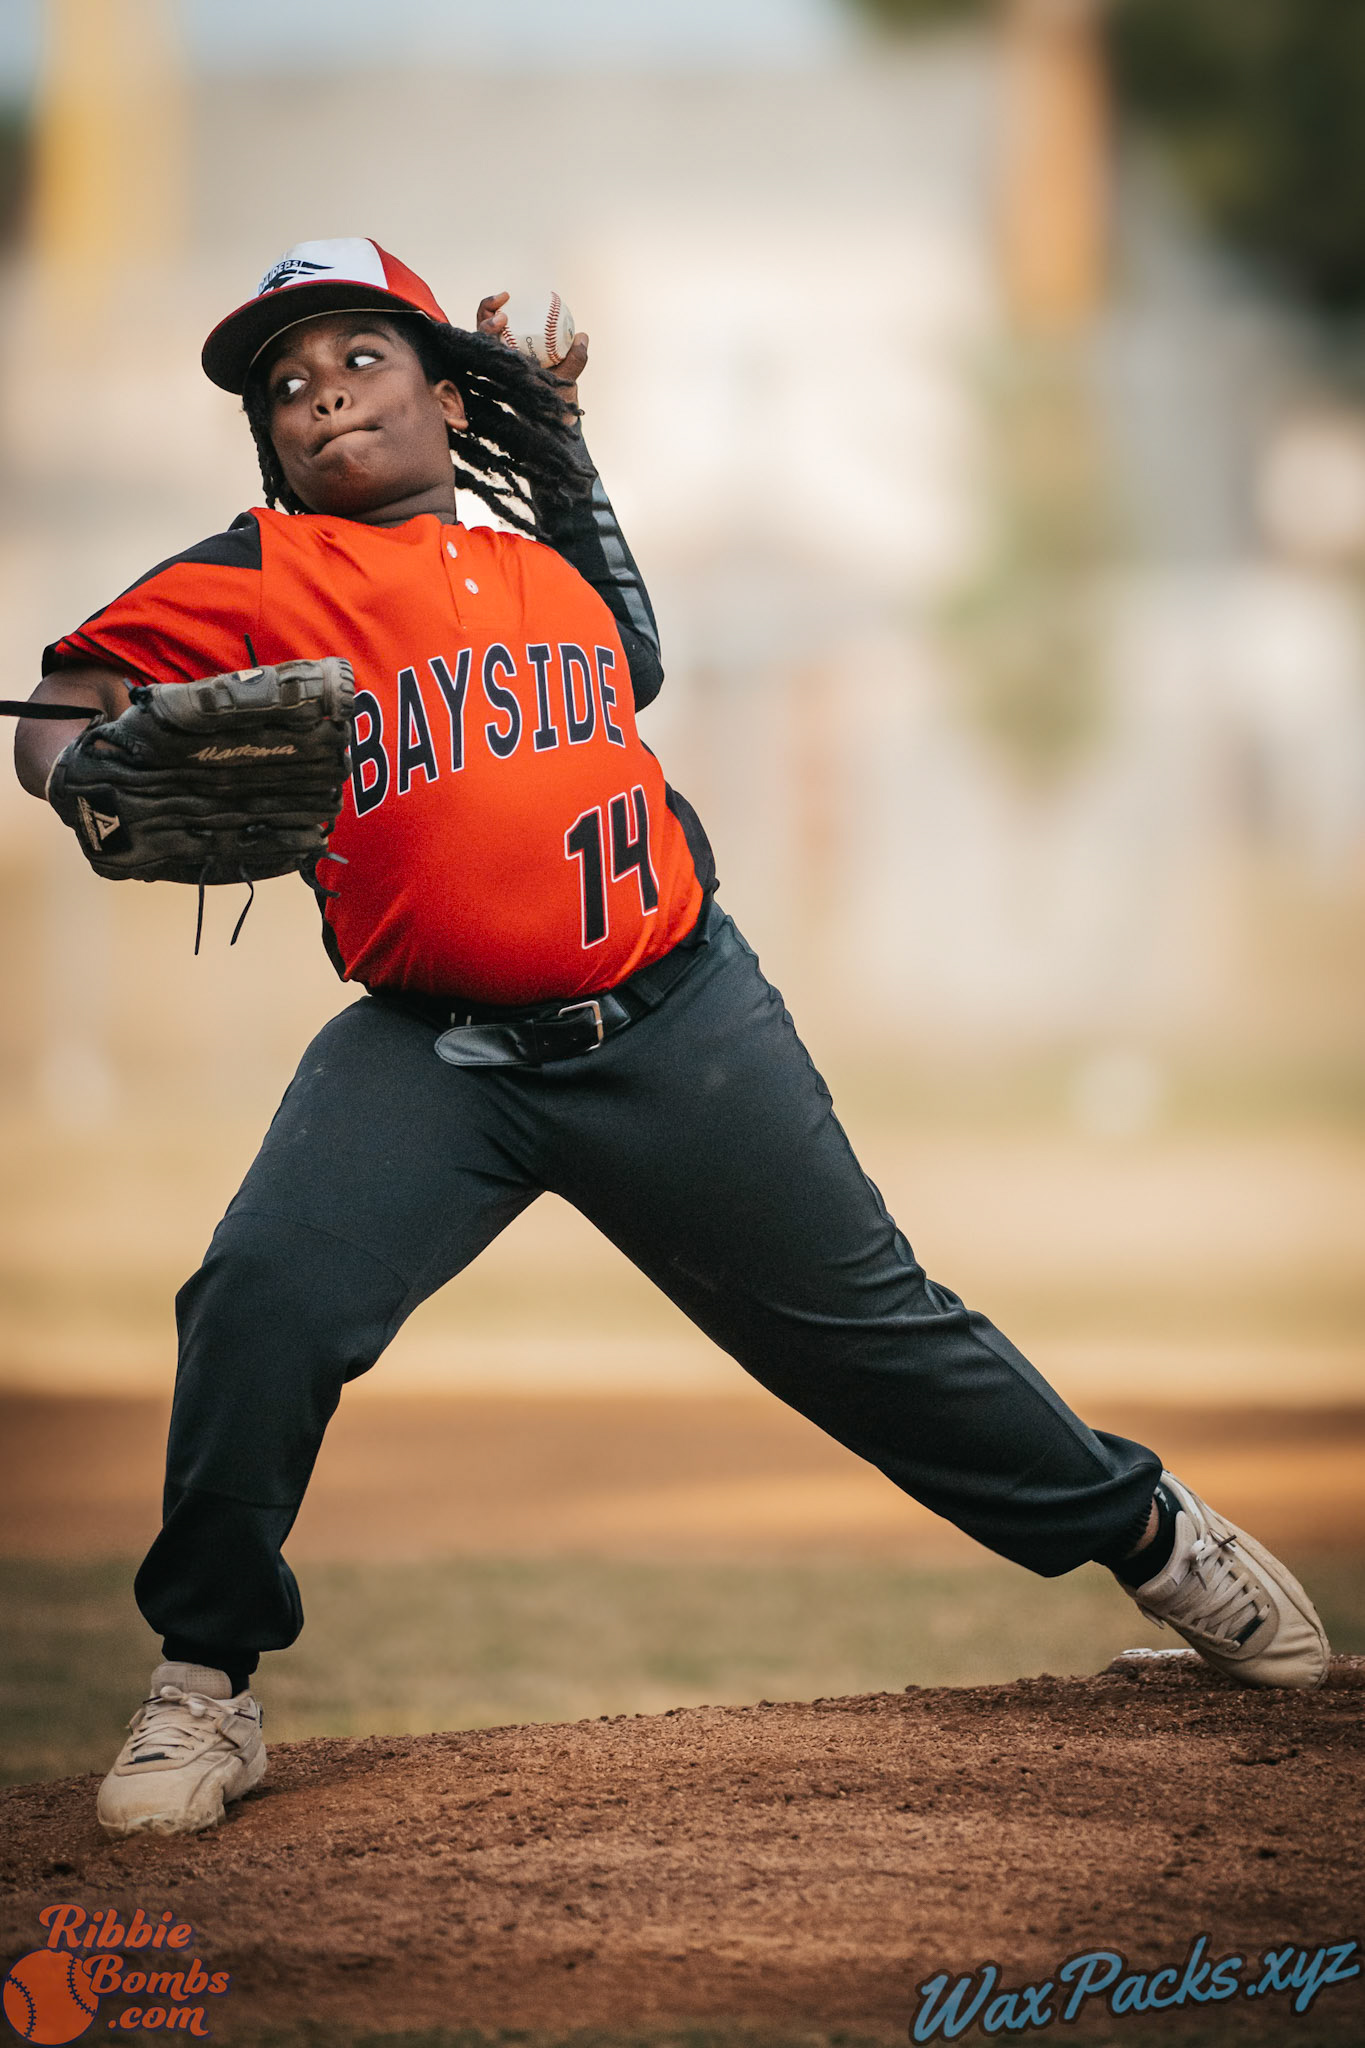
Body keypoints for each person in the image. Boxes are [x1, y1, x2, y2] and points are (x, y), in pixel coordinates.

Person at [12, 240, 1330, 1839]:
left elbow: (631, 656)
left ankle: (1151, 1537)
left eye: (358, 357)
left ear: (442, 388)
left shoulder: (538, 559)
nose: (319, 399)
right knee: (261, 1293)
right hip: (432, 1054)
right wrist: (90, 772)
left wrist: (563, 449)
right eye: (284, 389)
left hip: (678, 1018)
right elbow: (64, 701)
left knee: (874, 1339)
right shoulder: (252, 576)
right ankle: (203, 1687)